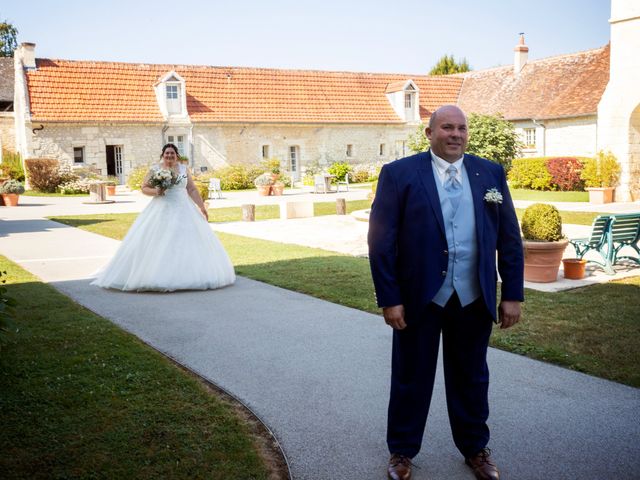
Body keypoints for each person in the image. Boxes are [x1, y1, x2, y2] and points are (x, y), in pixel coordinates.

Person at [368, 105, 523, 480]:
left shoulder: (490, 173)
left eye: (461, 128)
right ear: (430, 133)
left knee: (471, 377)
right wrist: (390, 298)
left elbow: (509, 238)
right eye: (447, 127)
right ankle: (401, 452)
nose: (455, 134)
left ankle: (475, 449)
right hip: (421, 297)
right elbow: (380, 242)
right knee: (410, 377)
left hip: (473, 296)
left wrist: (512, 293)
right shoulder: (399, 174)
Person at [92, 143, 235, 292]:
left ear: (177, 155)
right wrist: (156, 191)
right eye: (167, 153)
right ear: (163, 155)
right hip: (161, 208)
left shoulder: (183, 169)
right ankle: (155, 276)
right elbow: (144, 187)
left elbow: (191, 189)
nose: (169, 156)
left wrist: (201, 207)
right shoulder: (156, 169)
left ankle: (188, 275)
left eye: (172, 153)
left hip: (184, 208)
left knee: (188, 241)